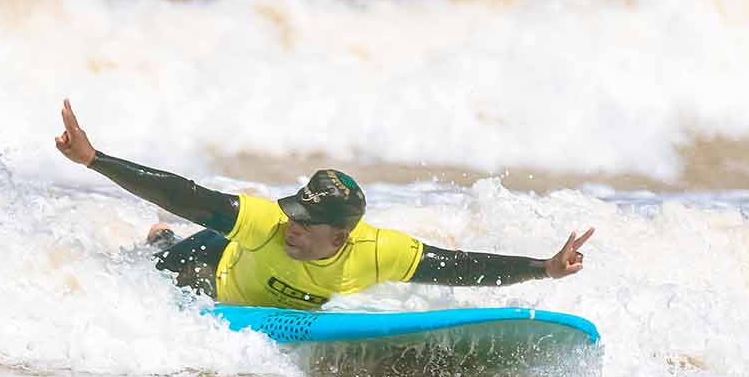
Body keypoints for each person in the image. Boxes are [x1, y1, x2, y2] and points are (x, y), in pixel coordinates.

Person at [54, 100, 593, 311]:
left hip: (259, 281)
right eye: (294, 212)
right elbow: (185, 196)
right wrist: (95, 160)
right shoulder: (268, 223)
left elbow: (461, 265)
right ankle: (160, 240)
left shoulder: (377, 251)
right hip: (209, 267)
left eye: (307, 224)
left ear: (339, 237)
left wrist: (543, 269)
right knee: (161, 266)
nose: (292, 226)